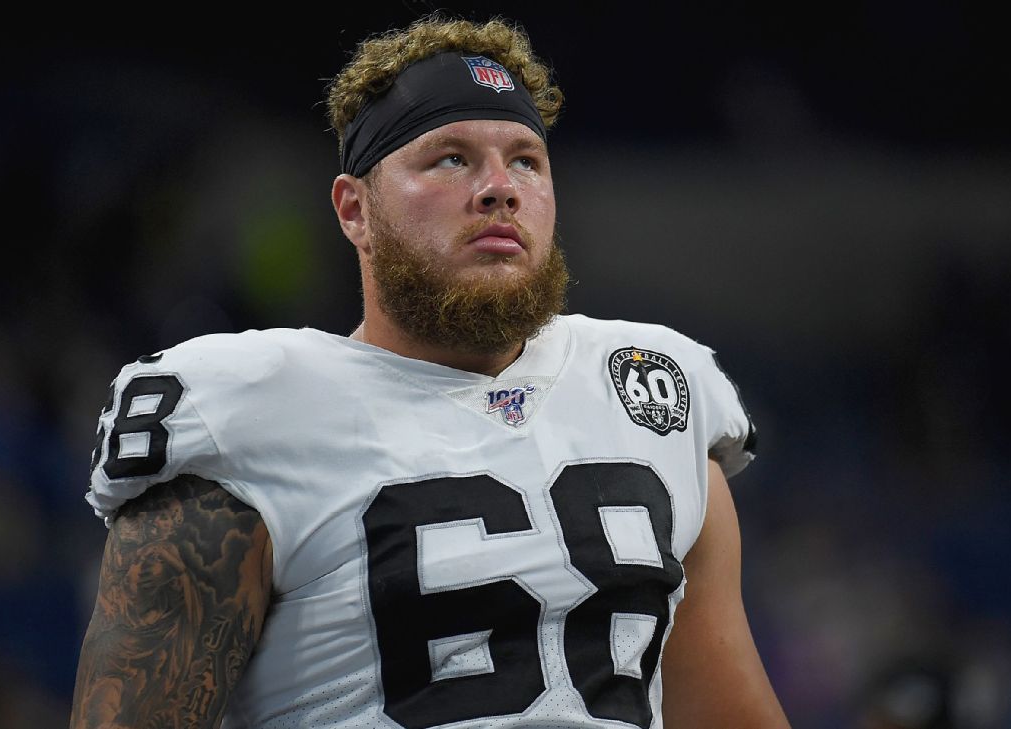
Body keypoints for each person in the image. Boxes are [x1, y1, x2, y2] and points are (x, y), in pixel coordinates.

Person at [70, 14, 790, 729]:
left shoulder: (651, 386)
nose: (499, 188)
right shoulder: (243, 411)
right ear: (356, 210)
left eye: (526, 161)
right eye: (451, 158)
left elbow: (726, 712)